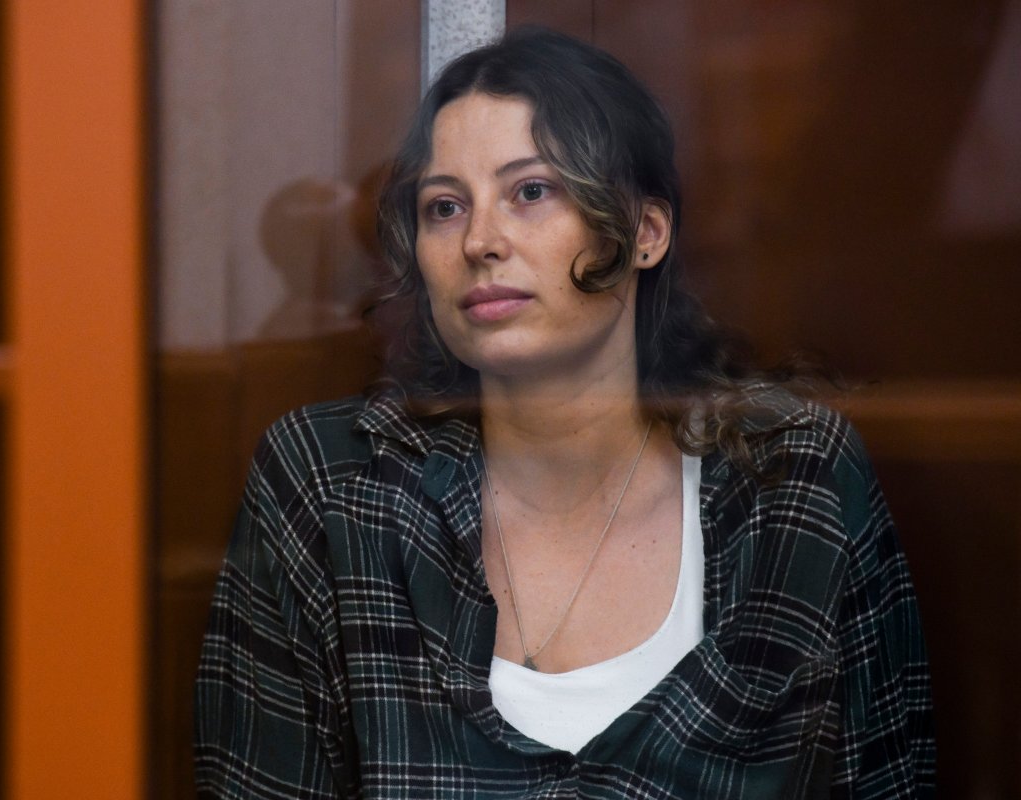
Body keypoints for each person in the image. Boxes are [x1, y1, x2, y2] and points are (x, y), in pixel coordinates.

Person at [194, 27, 935, 798]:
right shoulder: (331, 481)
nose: (481, 240)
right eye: (444, 208)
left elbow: (887, 777)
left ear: (646, 231)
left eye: (532, 191)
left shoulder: (792, 479)